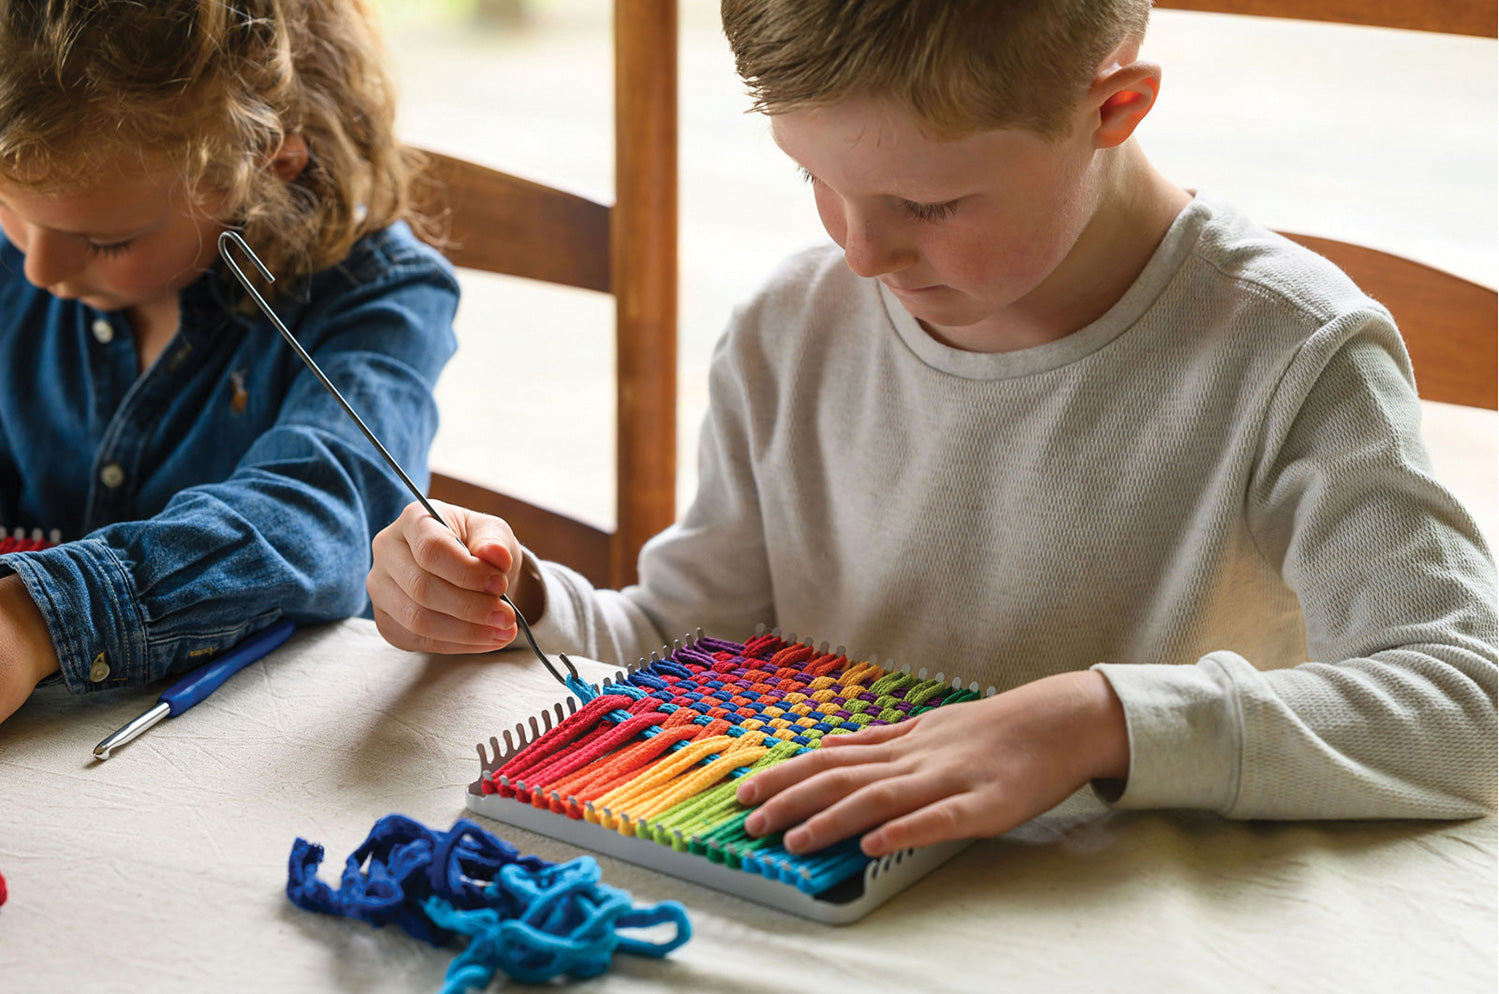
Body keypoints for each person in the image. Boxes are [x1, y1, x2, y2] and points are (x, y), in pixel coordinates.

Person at [366, 0, 1496, 858]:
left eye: (928, 205)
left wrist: (1095, 719)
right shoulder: (790, 326)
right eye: (810, 175)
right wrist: (516, 602)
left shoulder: (1289, 353)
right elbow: (682, 639)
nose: (861, 252)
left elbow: (1466, 707)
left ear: (1114, 108)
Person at [0, 0, 458, 724]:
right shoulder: (23, 256)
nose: (37, 268)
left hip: (259, 752)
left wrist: (35, 620)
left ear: (266, 163)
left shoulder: (378, 296)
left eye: (107, 241)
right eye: (10, 206)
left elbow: (318, 512)